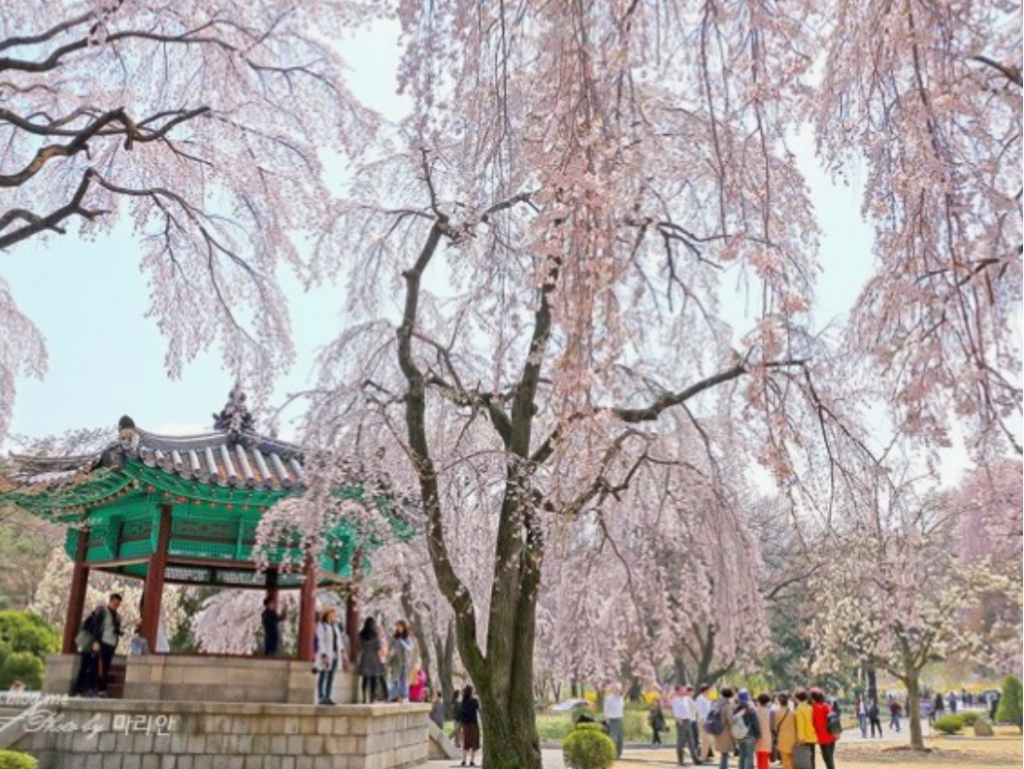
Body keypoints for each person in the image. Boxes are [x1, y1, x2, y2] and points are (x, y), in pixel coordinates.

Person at [314, 608, 347, 705]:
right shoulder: (322, 626)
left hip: (335, 654)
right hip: (326, 654)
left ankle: (328, 696)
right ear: (327, 614)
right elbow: (321, 641)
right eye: (332, 614)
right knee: (323, 675)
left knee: (331, 677)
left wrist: (343, 652)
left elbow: (338, 640)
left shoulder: (335, 627)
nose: (334, 616)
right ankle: (321, 696)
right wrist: (324, 654)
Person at [73, 603, 104, 697]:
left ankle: (79, 690)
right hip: (90, 648)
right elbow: (95, 633)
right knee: (90, 669)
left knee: (85, 669)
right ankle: (88, 689)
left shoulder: (89, 619)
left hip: (86, 648)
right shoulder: (94, 620)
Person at [96, 593, 123, 696]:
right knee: (100, 666)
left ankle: (103, 689)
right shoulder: (103, 613)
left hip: (112, 642)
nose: (116, 606)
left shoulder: (118, 616)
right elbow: (96, 627)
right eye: (115, 603)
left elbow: (116, 628)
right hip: (102, 642)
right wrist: (96, 641)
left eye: (118, 604)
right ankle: (98, 689)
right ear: (110, 601)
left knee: (106, 666)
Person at [386, 619, 418, 702]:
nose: (398, 628)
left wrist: (402, 642)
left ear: (404, 627)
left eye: (400, 626)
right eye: (397, 627)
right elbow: (390, 649)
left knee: (403, 679)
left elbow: (410, 648)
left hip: (404, 662)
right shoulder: (394, 637)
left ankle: (404, 696)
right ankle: (393, 696)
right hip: (396, 662)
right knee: (394, 679)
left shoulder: (407, 637)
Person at [357, 617, 387, 703]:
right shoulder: (375, 635)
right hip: (374, 659)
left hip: (365, 657)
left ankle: (364, 697)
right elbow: (378, 648)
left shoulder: (361, 634)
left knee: (365, 679)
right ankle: (372, 698)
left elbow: (359, 646)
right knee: (373, 678)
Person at [670, 685, 700, 764]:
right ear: (677, 691)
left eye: (684, 690)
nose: (684, 691)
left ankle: (695, 759)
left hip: (688, 720)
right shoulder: (675, 700)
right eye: (682, 690)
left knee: (691, 741)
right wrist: (679, 721)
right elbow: (676, 713)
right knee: (681, 741)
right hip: (681, 721)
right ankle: (680, 760)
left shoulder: (686, 699)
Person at [710, 686, 736, 769]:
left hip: (717, 730)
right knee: (725, 754)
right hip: (725, 732)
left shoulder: (716, 703)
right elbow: (731, 720)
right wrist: (739, 715)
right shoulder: (727, 705)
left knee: (723, 754)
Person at [733, 689, 760, 769]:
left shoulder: (735, 709)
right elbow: (756, 723)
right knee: (749, 756)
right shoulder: (751, 710)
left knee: (742, 755)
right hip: (750, 735)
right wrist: (758, 735)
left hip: (740, 735)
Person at [810, 689, 836, 769]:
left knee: (827, 759)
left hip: (822, 736)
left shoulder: (814, 707)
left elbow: (815, 723)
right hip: (832, 734)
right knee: (830, 758)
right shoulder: (826, 705)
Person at [793, 689, 817, 769]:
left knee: (804, 761)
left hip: (804, 738)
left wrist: (800, 739)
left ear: (797, 698)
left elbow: (800, 725)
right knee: (811, 759)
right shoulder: (810, 707)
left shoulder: (799, 709)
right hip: (812, 736)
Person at [457, 684, 481, 767]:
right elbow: (479, 710)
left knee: (466, 743)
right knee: (474, 742)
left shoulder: (463, 702)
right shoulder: (474, 701)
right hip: (473, 724)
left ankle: (464, 761)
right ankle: (471, 761)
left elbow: (460, 714)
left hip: (465, 725)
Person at [773, 693, 797, 769]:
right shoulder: (792, 712)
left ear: (779, 701)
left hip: (782, 738)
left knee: (785, 760)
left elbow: (774, 727)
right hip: (792, 738)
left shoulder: (776, 712)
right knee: (792, 759)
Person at [604, 683, 626, 760]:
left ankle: (619, 754)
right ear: (613, 690)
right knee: (613, 739)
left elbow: (621, 710)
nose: (618, 691)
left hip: (619, 720)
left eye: (619, 689)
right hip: (612, 720)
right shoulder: (608, 699)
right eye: (616, 689)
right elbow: (606, 711)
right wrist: (607, 720)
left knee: (620, 739)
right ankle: (613, 754)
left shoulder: (621, 699)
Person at [696, 683, 715, 762]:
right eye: (709, 690)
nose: (710, 691)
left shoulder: (706, 698)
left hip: (708, 721)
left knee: (708, 740)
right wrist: (703, 720)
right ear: (705, 690)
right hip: (703, 721)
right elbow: (700, 711)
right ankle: (703, 757)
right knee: (705, 739)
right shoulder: (700, 699)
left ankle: (706, 755)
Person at [754, 693, 772, 769]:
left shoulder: (755, 712)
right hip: (767, 737)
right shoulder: (771, 712)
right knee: (765, 759)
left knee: (758, 758)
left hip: (757, 737)